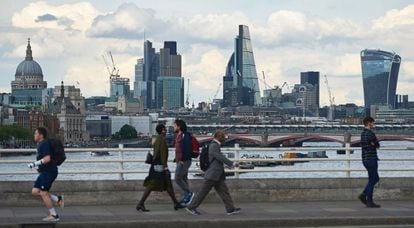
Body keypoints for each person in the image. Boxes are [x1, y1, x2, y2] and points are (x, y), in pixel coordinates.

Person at [186, 130, 241, 215]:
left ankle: (230, 209)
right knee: (202, 192)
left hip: (217, 174)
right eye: (223, 137)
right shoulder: (214, 145)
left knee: (224, 192)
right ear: (218, 137)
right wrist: (231, 163)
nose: (224, 139)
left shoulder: (215, 145)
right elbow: (218, 156)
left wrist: (225, 165)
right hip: (212, 174)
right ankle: (191, 207)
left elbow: (216, 159)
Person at [136, 124, 185, 212]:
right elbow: (162, 155)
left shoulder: (157, 139)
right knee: (152, 185)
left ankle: (175, 203)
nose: (166, 131)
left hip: (156, 165)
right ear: (162, 130)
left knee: (167, 184)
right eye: (165, 129)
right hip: (159, 167)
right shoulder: (161, 140)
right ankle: (141, 203)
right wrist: (165, 168)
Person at [28, 127, 64, 222]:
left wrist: (34, 164)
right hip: (45, 172)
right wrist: (39, 168)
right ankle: (57, 199)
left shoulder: (44, 144)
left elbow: (47, 159)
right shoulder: (41, 144)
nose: (34, 135)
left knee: (43, 193)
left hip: (49, 172)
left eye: (36, 133)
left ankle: (54, 215)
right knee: (35, 191)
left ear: (41, 135)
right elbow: (45, 160)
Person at [358, 117, 381, 208]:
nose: (373, 124)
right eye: (372, 123)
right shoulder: (371, 134)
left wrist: (372, 144)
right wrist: (373, 144)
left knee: (373, 179)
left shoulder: (362, 133)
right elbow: (377, 145)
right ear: (368, 123)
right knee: (373, 179)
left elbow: (366, 146)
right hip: (372, 159)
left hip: (365, 159)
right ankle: (369, 200)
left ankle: (364, 195)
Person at [173, 119, 194, 205]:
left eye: (174, 126)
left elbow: (186, 148)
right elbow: (180, 149)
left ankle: (189, 194)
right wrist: (177, 158)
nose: (173, 127)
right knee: (184, 179)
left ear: (179, 127)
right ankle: (187, 199)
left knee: (177, 178)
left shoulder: (184, 136)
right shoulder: (179, 135)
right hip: (180, 160)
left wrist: (181, 159)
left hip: (184, 161)